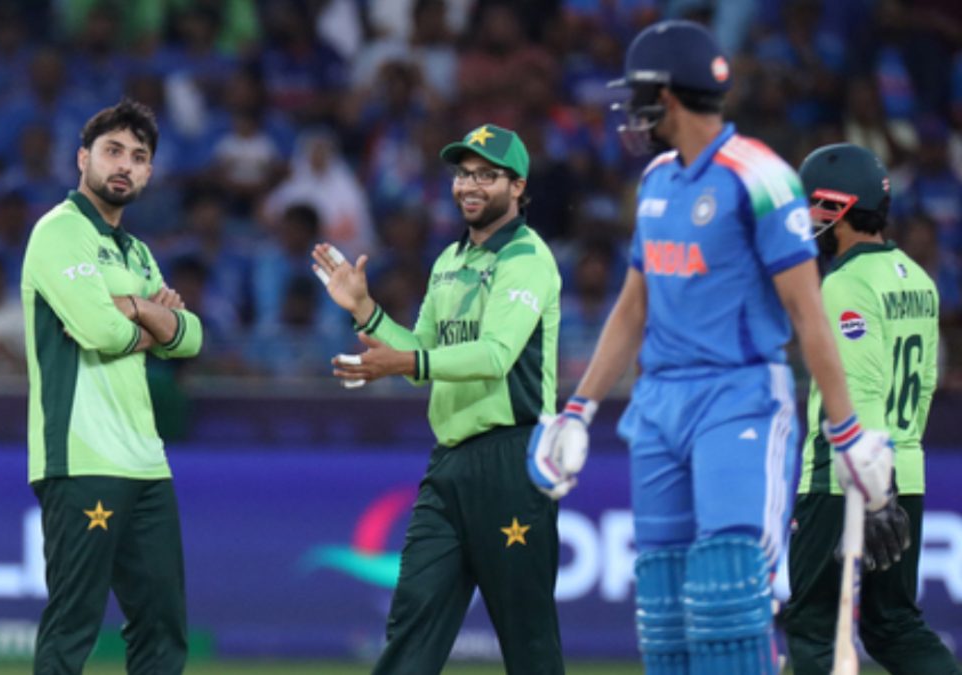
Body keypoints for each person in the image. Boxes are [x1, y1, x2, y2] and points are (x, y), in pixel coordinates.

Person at [525, 21, 894, 675]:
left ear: (666, 96)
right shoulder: (657, 180)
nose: (633, 111)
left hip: (739, 399)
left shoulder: (761, 178)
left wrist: (847, 434)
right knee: (664, 615)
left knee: (727, 595)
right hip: (659, 403)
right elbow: (633, 306)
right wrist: (577, 410)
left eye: (640, 95)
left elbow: (807, 313)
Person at [312, 123, 566, 674]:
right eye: (463, 174)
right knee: (412, 625)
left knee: (529, 640)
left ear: (518, 187)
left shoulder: (527, 257)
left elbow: (494, 356)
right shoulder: (450, 260)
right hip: (449, 464)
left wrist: (406, 362)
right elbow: (420, 354)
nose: (470, 185)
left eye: (487, 175)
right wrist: (365, 311)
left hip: (513, 460)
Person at [20, 99, 202, 675]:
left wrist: (133, 308)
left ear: (149, 172)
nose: (125, 165)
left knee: (162, 627)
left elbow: (192, 338)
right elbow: (100, 332)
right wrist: (153, 318)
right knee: (73, 625)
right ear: (83, 159)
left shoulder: (137, 252)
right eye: (113, 151)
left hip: (146, 462)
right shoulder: (59, 231)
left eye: (138, 157)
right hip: (81, 459)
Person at [782, 143, 962, 675]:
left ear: (838, 207)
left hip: (845, 478)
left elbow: (857, 389)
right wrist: (893, 474)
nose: (807, 220)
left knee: (811, 626)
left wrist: (873, 490)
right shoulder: (920, 281)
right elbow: (923, 386)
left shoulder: (844, 284)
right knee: (894, 625)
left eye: (812, 206)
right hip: (904, 469)